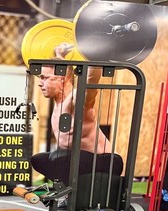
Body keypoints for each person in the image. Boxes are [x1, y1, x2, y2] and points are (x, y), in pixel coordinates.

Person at [30, 43, 124, 190]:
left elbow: (91, 82)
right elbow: (66, 73)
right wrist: (60, 56)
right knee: (39, 160)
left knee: (59, 157)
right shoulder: (59, 103)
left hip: (106, 162)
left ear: (62, 79)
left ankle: (71, 192)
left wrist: (95, 55)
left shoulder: (76, 100)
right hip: (80, 160)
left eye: (45, 78)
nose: (40, 83)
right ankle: (71, 190)